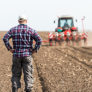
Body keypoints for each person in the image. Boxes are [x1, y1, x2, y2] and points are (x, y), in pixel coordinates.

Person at [3, 15, 42, 92]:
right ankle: (28, 89)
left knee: (16, 74)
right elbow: (39, 40)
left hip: (16, 55)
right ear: (26, 21)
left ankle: (15, 88)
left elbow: (5, 38)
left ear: (18, 21)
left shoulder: (13, 30)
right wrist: (35, 50)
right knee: (28, 74)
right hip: (27, 55)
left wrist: (10, 49)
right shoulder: (31, 30)